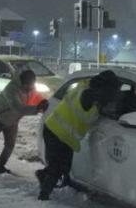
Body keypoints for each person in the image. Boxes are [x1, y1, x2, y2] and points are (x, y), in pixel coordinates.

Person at [36, 70, 120, 200]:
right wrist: (99, 108)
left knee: (63, 166)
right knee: (57, 166)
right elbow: (88, 118)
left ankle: (42, 175)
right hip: (58, 133)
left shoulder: (84, 85)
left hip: (55, 130)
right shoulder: (89, 96)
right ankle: (44, 196)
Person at [0, 69, 49, 173]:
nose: (30, 88)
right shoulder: (11, 89)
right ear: (23, 82)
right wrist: (37, 109)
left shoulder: (30, 87)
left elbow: (36, 96)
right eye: (28, 85)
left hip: (12, 120)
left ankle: (0, 166)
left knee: (10, 145)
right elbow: (18, 108)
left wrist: (43, 102)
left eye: (31, 85)